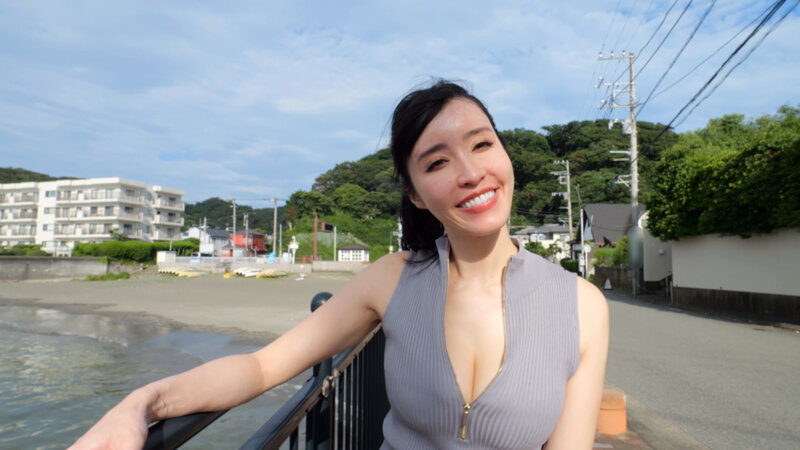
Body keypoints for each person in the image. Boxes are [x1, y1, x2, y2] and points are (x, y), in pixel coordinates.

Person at [70, 80, 608, 450]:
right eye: (438, 162)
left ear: (505, 155)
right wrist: (143, 404)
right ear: (416, 194)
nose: (470, 173)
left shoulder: (581, 306)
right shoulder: (394, 278)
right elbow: (263, 367)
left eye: (482, 144)